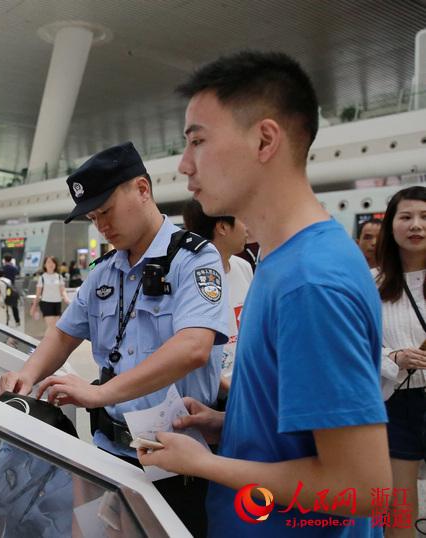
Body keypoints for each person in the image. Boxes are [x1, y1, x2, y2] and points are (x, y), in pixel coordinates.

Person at [137, 50, 391, 535]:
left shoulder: (310, 282)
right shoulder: (283, 261)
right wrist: (229, 426)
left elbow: (359, 484)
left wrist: (206, 465)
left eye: (198, 141)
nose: (184, 165)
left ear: (265, 140)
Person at [0, 141, 230, 536]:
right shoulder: (104, 272)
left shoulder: (195, 259)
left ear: (142, 189)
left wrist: (103, 393)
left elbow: (193, 347)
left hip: (175, 461)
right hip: (109, 452)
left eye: (105, 211)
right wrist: (27, 374)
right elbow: (64, 334)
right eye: (92, 218)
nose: (101, 225)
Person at [373, 187, 426, 538]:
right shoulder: (370, 282)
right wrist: (394, 358)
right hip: (397, 402)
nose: (416, 225)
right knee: (399, 511)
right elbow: (356, 345)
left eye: (424, 217)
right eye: (405, 217)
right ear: (390, 225)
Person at [181, 199, 253, 399]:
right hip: (211, 395)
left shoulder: (243, 267)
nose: (247, 226)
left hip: (244, 387)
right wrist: (227, 387)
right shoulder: (189, 277)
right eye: (241, 219)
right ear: (222, 227)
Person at [29, 255, 70, 334]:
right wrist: (34, 307)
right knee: (51, 326)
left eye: (53, 262)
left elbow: (63, 290)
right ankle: (47, 344)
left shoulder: (59, 277)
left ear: (55, 264)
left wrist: (66, 299)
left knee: (57, 326)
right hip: (46, 303)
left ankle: (52, 344)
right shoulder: (42, 277)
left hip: (57, 303)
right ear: (45, 265)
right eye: (48, 262)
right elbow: (38, 294)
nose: (51, 264)